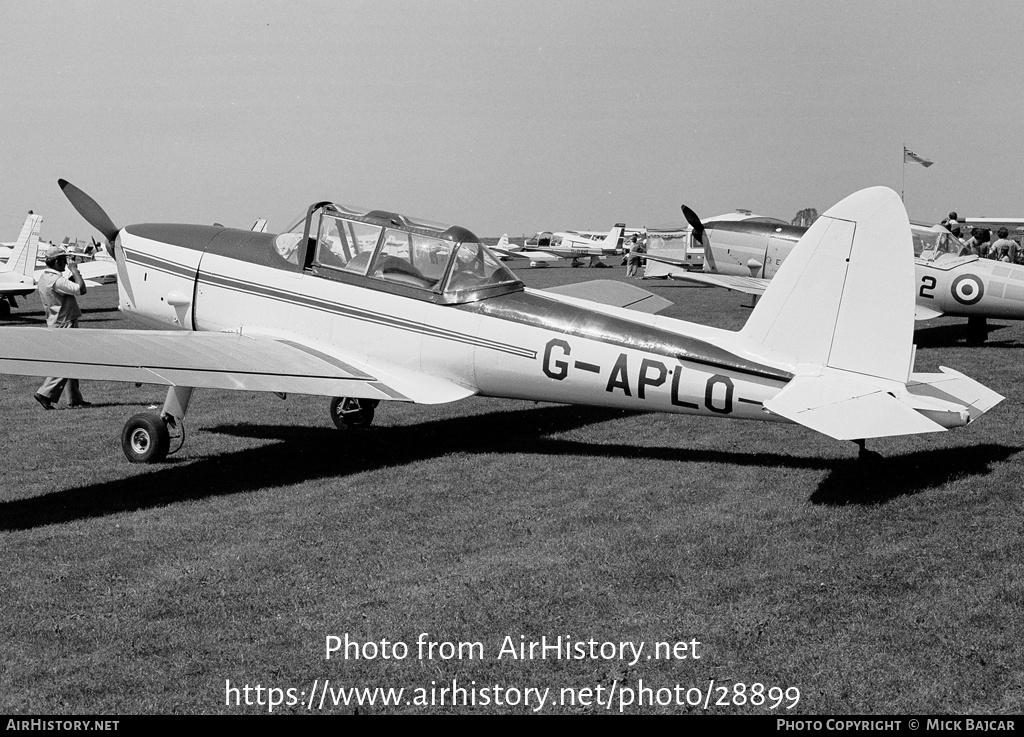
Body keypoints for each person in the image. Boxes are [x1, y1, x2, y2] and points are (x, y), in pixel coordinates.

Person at [33, 245, 91, 410]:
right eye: (64, 260)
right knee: (68, 361)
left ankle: (74, 398)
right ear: (57, 261)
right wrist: (75, 270)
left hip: (56, 322)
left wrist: (71, 275)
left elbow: (64, 290)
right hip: (66, 323)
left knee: (71, 360)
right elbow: (81, 289)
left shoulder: (45, 278)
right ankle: (45, 393)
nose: (66, 263)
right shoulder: (56, 280)